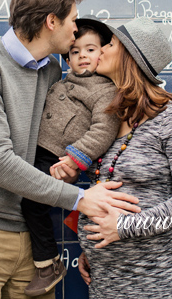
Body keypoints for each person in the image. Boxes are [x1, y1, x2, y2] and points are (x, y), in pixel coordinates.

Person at [0, 0, 140, 299]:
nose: (76, 30)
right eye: (73, 21)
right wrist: (78, 198)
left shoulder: (50, 72)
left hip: (33, 238)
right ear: (52, 21)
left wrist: (74, 162)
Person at [56, 17, 172, 299]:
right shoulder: (105, 119)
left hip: (156, 277)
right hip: (104, 277)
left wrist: (123, 228)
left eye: (109, 44)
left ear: (129, 56)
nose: (99, 51)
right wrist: (93, 249)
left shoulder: (170, 118)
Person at [22, 17, 121, 296]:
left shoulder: (105, 90)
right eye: (75, 52)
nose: (83, 56)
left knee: (32, 204)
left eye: (90, 49)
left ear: (103, 52)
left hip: (57, 159)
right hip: (34, 151)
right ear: (68, 59)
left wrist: (74, 159)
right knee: (26, 202)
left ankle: (48, 264)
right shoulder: (61, 81)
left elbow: (104, 129)